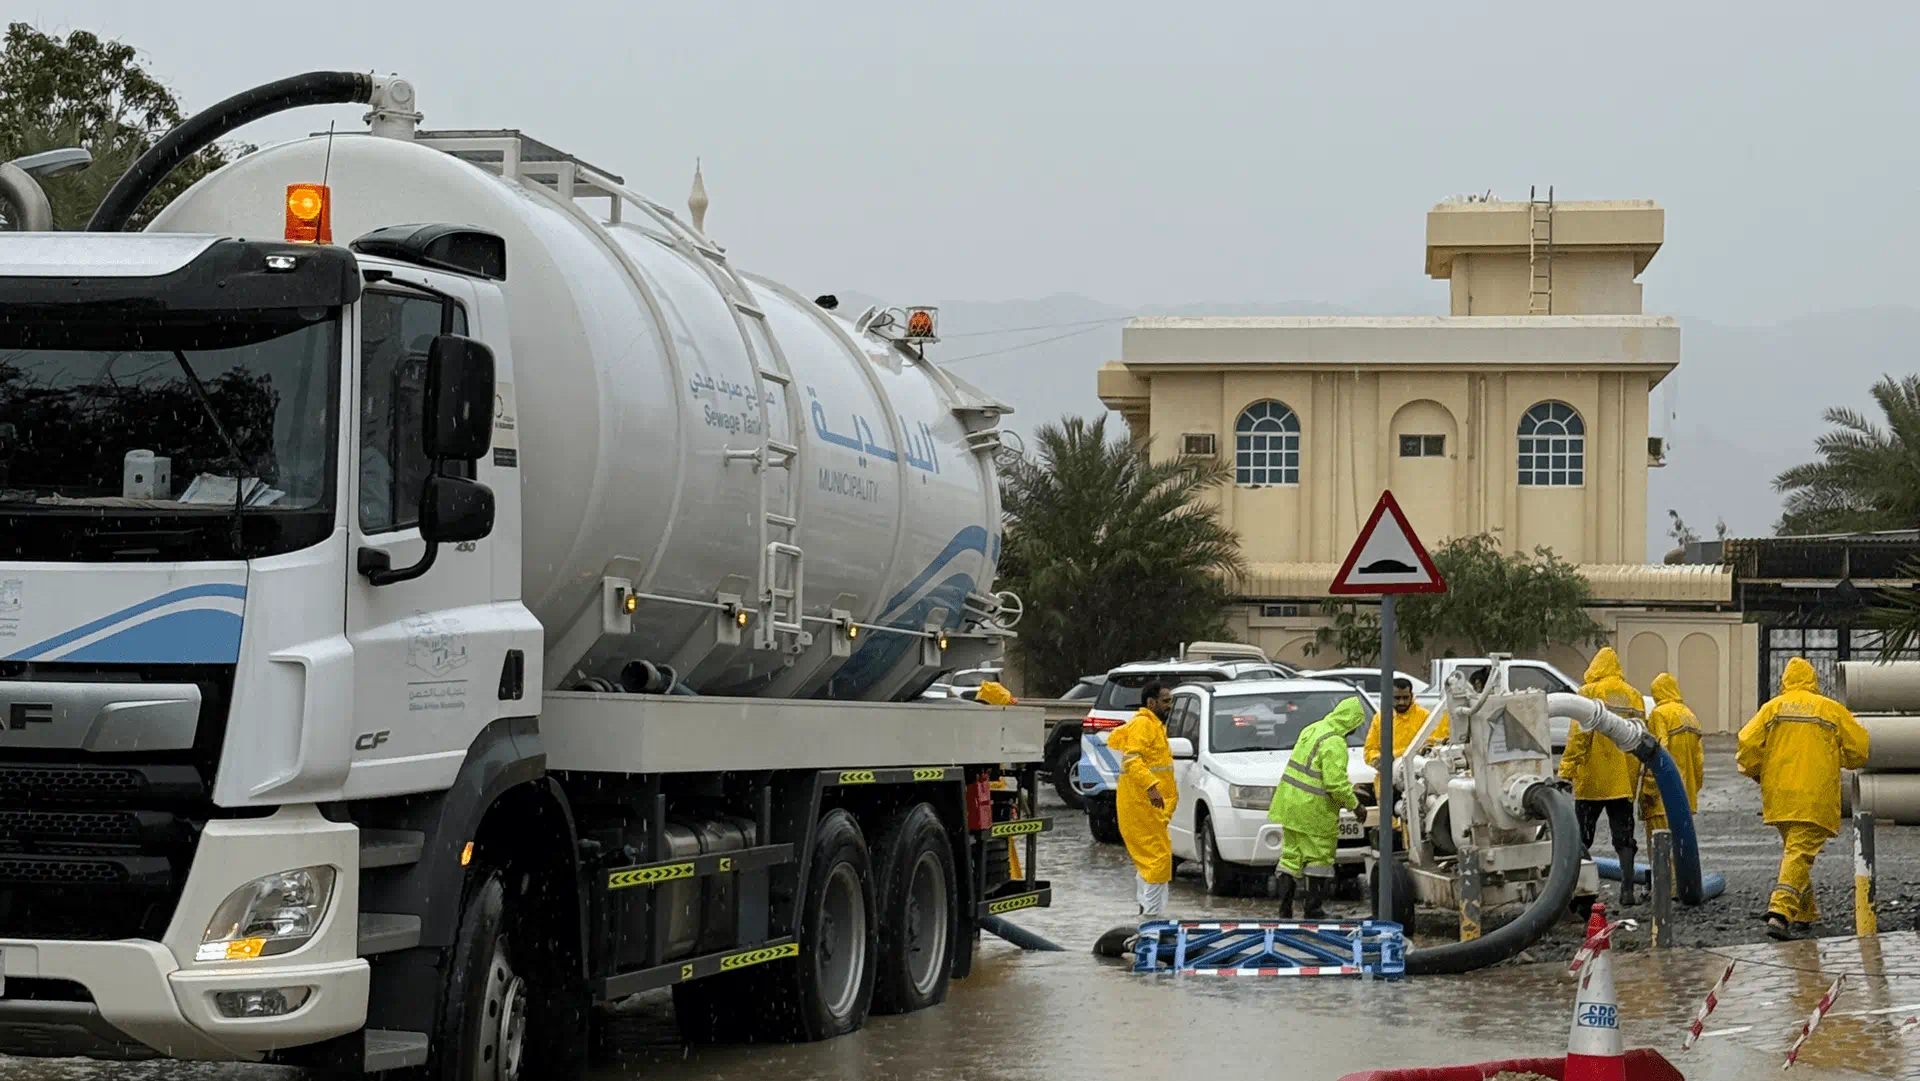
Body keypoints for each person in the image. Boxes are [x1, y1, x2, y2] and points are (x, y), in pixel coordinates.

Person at [1737, 657, 1870, 940]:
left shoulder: (1772, 709)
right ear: (1813, 680)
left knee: (1795, 852)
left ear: (1784, 680)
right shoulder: (1830, 710)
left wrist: (1758, 772)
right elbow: (1860, 748)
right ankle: (1780, 913)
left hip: (1779, 796)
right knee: (1799, 853)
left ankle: (1805, 914)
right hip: (1814, 795)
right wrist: (1839, 760)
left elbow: (1746, 743)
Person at [1267, 696, 1367, 919]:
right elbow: (1334, 783)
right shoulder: (1335, 742)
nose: (1355, 730)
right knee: (1319, 858)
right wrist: (1356, 806)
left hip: (1290, 803)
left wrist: (1349, 790)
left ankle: (1284, 911)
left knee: (1290, 857)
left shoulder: (1314, 728)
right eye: (1357, 724)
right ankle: (1313, 910)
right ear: (1351, 721)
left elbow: (1312, 771)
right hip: (1313, 809)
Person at [1560, 647, 1644, 905]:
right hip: (1622, 782)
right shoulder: (1634, 696)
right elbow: (1641, 737)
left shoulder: (1589, 692)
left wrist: (1566, 771)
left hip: (1592, 782)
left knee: (1581, 837)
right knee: (1625, 839)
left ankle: (1578, 893)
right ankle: (1628, 891)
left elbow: (1579, 737)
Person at [1107, 681, 1179, 917]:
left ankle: (1147, 915)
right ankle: (1150, 920)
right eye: (1166, 701)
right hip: (1142, 803)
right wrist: (1151, 787)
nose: (1170, 706)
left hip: (1149, 806)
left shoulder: (1155, 726)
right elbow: (1132, 760)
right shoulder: (1143, 726)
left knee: (1150, 860)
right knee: (1157, 860)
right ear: (1151, 703)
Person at [1639, 672, 1705, 855]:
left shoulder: (1660, 714)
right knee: (1682, 851)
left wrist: (1649, 790)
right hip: (1685, 798)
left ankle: (1668, 885)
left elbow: (1658, 752)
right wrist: (1692, 790)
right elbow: (1698, 761)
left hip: (1663, 798)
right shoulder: (1689, 715)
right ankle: (1683, 884)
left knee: (1663, 852)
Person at [1364, 678, 1449, 765]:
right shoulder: (1380, 718)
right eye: (1397, 698)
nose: (1401, 702)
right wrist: (1376, 759)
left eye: (1405, 697)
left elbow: (1433, 746)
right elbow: (1370, 749)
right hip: (1388, 775)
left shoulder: (1425, 716)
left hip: (1416, 773)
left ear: (1411, 696)